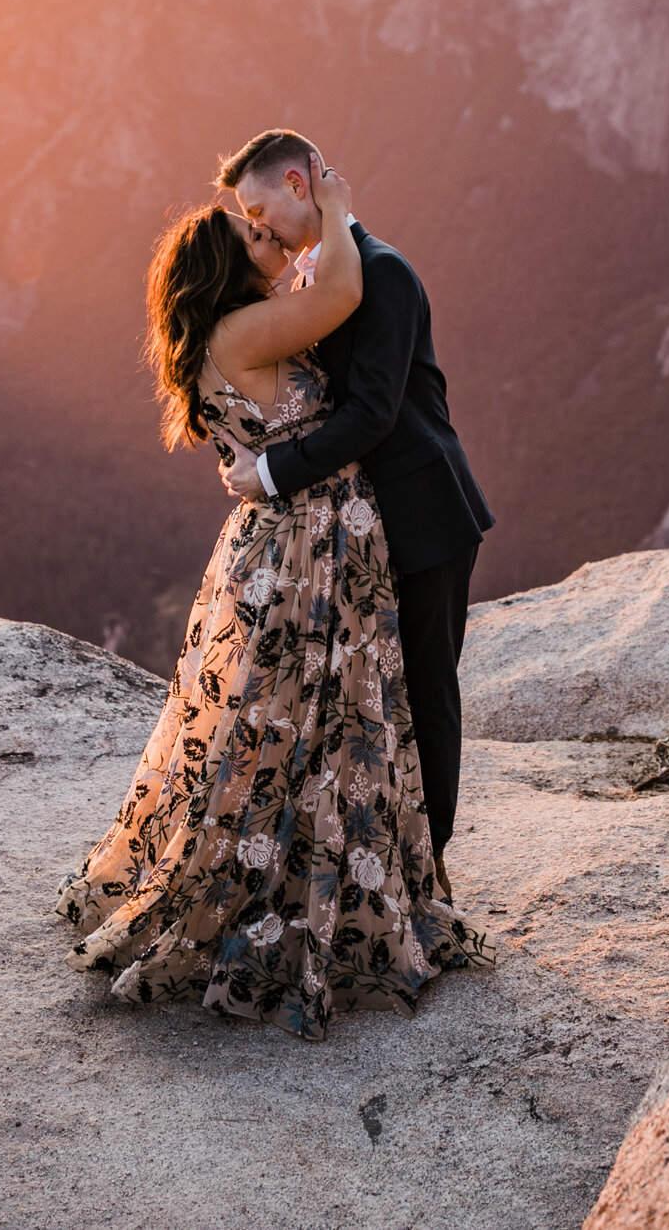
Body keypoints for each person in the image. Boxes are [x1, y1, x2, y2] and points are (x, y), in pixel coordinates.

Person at [58, 163, 488, 1041]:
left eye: (263, 218)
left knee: (283, 723)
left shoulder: (224, 331)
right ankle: (322, 895)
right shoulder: (248, 326)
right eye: (250, 230)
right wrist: (329, 202)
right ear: (226, 267)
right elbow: (338, 289)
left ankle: (300, 874)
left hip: (288, 542)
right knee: (325, 717)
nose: (265, 233)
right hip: (310, 545)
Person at [217, 130, 493, 897]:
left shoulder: (383, 273)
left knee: (427, 690)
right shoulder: (318, 278)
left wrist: (269, 471)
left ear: (300, 185)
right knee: (377, 696)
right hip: (364, 532)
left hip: (426, 516)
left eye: (258, 205)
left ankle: (430, 870)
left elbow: (372, 413)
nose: (258, 226)